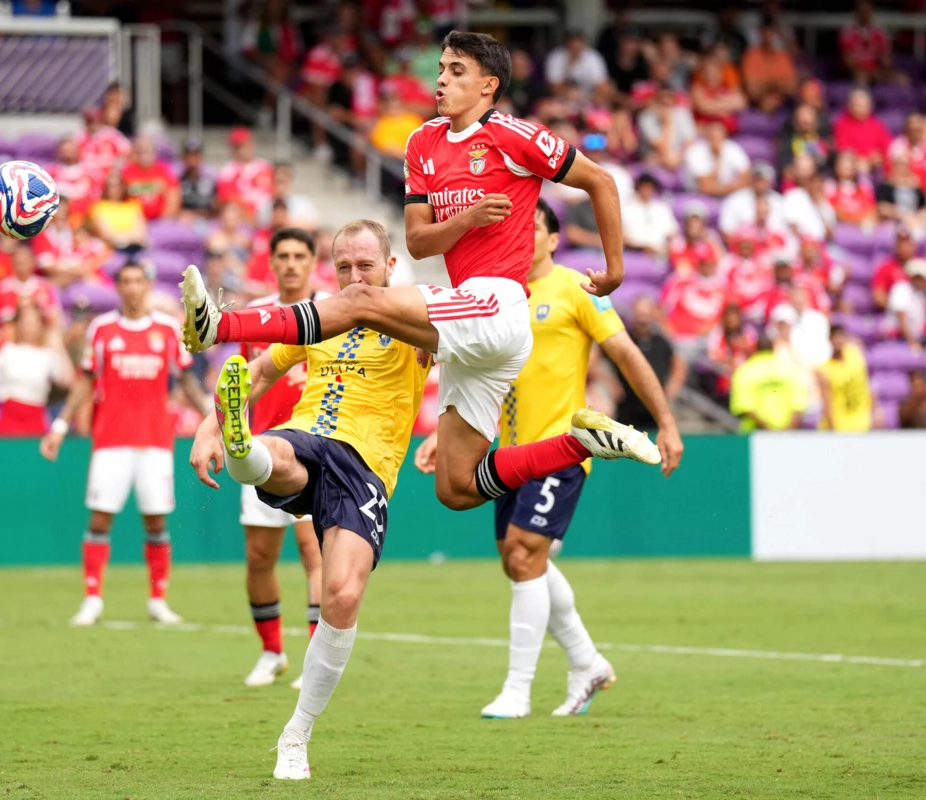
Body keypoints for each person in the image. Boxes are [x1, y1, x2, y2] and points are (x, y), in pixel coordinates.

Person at [180, 31, 663, 522]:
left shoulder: (515, 136)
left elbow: (600, 180)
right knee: (456, 486)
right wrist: (467, 219)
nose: (441, 80)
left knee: (360, 299)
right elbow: (418, 241)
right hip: (472, 317)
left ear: (488, 85)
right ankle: (580, 443)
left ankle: (219, 325)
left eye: (457, 71)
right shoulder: (422, 142)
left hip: (497, 304)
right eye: (441, 70)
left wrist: (616, 269)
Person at [414, 202, 684, 721]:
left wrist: (666, 422)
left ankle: (517, 691)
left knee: (523, 554)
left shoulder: (576, 289)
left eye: (533, 227)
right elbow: (473, 369)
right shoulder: (498, 294)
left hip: (561, 448)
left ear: (555, 240)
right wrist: (444, 437)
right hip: (507, 454)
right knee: (520, 561)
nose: (523, 234)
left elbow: (626, 353)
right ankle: (587, 663)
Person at [188, 220, 429, 780]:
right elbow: (259, 371)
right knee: (276, 452)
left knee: (342, 595)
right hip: (309, 435)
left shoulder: (417, 316)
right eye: (344, 267)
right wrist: (207, 426)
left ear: (390, 267)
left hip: (367, 468)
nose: (354, 276)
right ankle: (242, 445)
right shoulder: (321, 318)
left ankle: (296, 733)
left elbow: (473, 350)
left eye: (365, 265)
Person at [40, 261, 210, 628]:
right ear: (118, 287)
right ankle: (92, 599)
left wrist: (216, 422)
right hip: (111, 440)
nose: (132, 287)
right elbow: (85, 381)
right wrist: (60, 426)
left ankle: (158, 600)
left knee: (156, 520)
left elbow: (186, 381)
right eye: (126, 281)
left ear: (148, 285)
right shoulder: (102, 329)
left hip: (155, 441)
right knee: (100, 517)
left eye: (138, 281)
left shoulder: (167, 329)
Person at [236, 229, 330, 689]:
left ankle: (314, 657)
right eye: (283, 256)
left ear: (313, 261)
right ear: (272, 263)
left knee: (315, 553)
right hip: (262, 450)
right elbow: (244, 383)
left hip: (316, 449)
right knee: (259, 558)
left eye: (299, 255)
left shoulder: (333, 311)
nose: (291, 263)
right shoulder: (257, 317)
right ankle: (272, 652)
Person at [0, 302, 72, 437]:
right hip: (8, 420)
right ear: (18, 324)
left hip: (35, 420)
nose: (30, 328)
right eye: (26, 322)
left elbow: (67, 381)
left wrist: (59, 346)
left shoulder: (47, 355)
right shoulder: (8, 350)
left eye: (34, 323)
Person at [615, 295, 687, 429]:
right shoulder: (625, 339)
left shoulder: (661, 342)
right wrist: (610, 382)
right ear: (634, 315)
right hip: (627, 404)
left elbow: (679, 362)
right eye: (640, 315)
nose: (643, 320)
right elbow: (598, 359)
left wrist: (673, 386)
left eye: (646, 315)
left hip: (656, 404)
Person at [730, 335, 807, 431]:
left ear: (755, 348)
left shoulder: (745, 370)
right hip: (787, 432)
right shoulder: (790, 369)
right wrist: (787, 430)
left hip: (755, 434)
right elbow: (799, 403)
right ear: (773, 347)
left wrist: (768, 429)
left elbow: (745, 406)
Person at [816, 325, 872, 432]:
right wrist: (833, 429)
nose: (838, 341)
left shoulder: (855, 354)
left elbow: (866, 383)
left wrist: (875, 409)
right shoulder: (825, 370)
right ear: (829, 340)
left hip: (861, 423)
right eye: (835, 337)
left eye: (840, 336)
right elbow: (827, 404)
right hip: (840, 425)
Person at [216, 127, 275, 221]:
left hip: (268, 215)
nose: (243, 149)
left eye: (246, 144)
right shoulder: (228, 171)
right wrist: (251, 219)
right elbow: (226, 199)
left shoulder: (265, 167)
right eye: (238, 146)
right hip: (243, 220)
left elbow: (275, 192)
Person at [637, 84, 697, 172]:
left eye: (668, 102)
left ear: (673, 100)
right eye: (662, 101)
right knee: (653, 159)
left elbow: (690, 141)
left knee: (694, 155)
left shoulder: (682, 113)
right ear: (655, 100)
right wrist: (667, 122)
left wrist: (679, 157)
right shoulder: (646, 117)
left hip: (679, 154)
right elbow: (660, 146)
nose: (665, 106)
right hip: (655, 155)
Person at [684, 119, 752, 197]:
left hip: (730, 193)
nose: (716, 140)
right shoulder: (695, 151)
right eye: (713, 137)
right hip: (698, 195)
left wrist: (729, 187)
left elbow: (746, 176)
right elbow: (705, 186)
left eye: (718, 136)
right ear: (706, 135)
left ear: (724, 134)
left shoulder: (732, 148)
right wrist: (717, 158)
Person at [120, 133, 180, 221]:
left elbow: (173, 197)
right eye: (140, 150)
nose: (144, 153)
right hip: (133, 221)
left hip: (160, 221)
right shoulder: (126, 171)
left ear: (154, 151)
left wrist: (163, 221)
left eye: (147, 149)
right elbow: (119, 197)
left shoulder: (164, 170)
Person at [741, 22, 798, 112]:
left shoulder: (783, 56)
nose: (769, 36)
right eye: (766, 32)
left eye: (772, 32)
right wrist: (778, 84)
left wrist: (764, 84)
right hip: (756, 106)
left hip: (783, 106)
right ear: (760, 33)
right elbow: (752, 90)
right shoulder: (751, 55)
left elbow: (792, 88)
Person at [833, 89, 891, 175]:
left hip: (875, 166)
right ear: (850, 106)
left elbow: (887, 146)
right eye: (858, 105)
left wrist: (879, 157)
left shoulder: (877, 124)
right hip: (854, 166)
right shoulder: (841, 124)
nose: (861, 109)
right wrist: (861, 160)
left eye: (864, 106)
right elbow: (842, 148)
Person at [621, 173, 678, 255]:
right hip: (635, 252)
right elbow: (623, 237)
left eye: (650, 187)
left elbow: (672, 233)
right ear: (638, 187)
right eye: (644, 186)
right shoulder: (626, 208)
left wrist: (667, 249)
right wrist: (643, 247)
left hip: (660, 252)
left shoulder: (661, 208)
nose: (647, 190)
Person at [839, 0, 892, 86]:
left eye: (867, 12)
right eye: (862, 12)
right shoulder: (847, 33)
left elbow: (886, 58)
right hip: (855, 74)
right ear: (856, 13)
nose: (864, 15)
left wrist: (884, 68)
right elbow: (847, 60)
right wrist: (864, 72)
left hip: (876, 71)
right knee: (861, 79)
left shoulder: (880, 33)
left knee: (902, 79)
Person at [544, 31, 609, 98]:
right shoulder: (556, 57)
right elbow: (554, 86)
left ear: (584, 44)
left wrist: (586, 96)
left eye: (578, 47)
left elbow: (602, 85)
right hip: (563, 96)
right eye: (572, 47)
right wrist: (568, 65)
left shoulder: (593, 57)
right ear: (566, 45)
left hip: (589, 96)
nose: (576, 50)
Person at [886, 258, 926, 350]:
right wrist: (913, 343)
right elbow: (902, 321)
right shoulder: (902, 289)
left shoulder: (919, 294)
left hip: (912, 339)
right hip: (897, 340)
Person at [177, 138, 216, 217]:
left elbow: (216, 205)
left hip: (207, 219)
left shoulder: (211, 178)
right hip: (183, 219)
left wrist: (198, 215)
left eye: (195, 155)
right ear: (183, 157)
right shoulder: (177, 178)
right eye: (189, 155)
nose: (192, 159)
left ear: (201, 156)